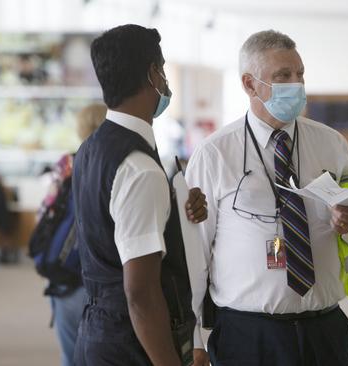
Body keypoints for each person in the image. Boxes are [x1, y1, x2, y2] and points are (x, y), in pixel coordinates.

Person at [184, 29, 348, 366]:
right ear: (249, 84)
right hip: (249, 335)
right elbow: (194, 254)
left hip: (325, 330)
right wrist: (193, 337)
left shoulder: (331, 144)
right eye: (283, 76)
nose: (296, 84)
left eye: (300, 74)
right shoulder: (215, 154)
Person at [72, 24, 208, 366]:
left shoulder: (91, 148)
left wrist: (177, 214)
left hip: (97, 330)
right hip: (132, 344)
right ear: (153, 74)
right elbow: (141, 294)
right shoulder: (139, 168)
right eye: (162, 69)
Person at [35, 103, 105, 366]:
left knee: (71, 355)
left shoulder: (67, 163)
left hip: (65, 276)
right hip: (102, 275)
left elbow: (45, 214)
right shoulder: (117, 161)